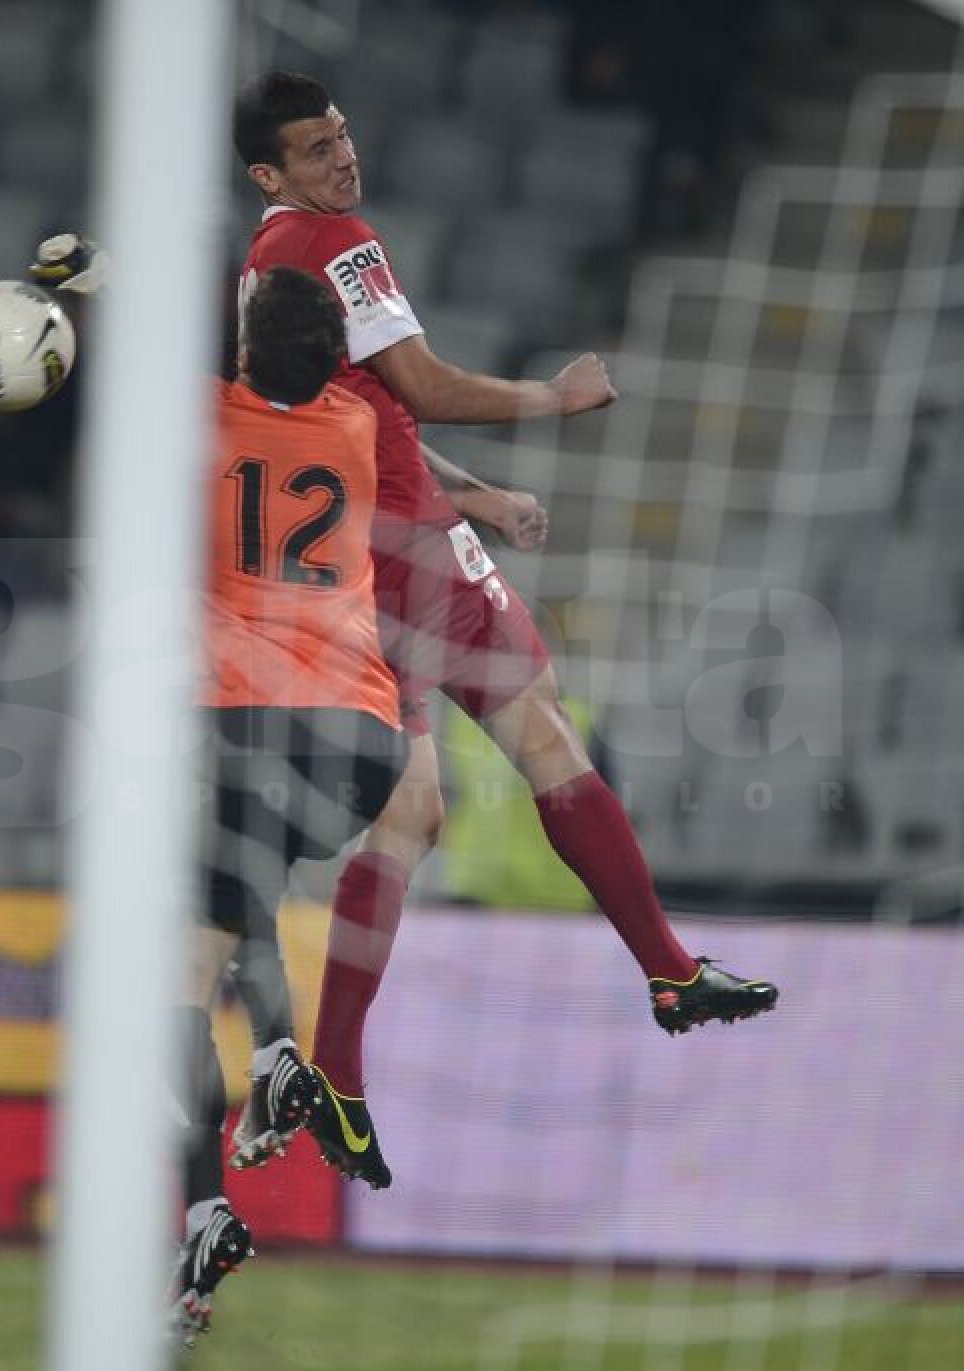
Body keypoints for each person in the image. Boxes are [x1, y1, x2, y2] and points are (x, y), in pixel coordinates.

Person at [220, 72, 778, 1186]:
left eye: (343, 135)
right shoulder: (336, 239)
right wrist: (553, 400)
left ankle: (337, 1074)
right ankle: (667, 969)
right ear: (269, 175)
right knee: (547, 742)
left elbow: (360, 415)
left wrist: (474, 494)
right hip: (416, 556)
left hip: (349, 564)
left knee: (409, 810)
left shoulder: (260, 276)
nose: (343, 157)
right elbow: (418, 384)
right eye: (315, 148)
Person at [168, 266, 408, 1339]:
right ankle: (219, 1184)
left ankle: (217, 1175)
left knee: (183, 972)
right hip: (363, 741)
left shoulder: (205, 418)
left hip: (249, 719)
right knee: (237, 886)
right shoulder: (355, 424)